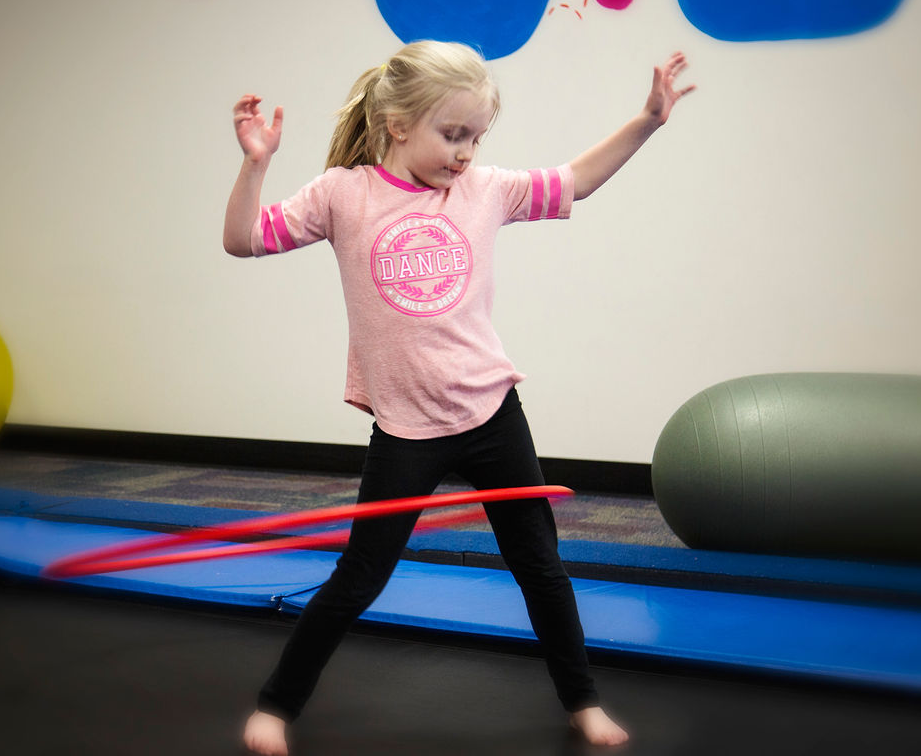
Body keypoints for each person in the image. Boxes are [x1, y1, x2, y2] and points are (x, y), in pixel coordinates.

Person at [224, 40, 694, 756]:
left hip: (490, 412)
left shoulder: (485, 190)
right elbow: (242, 241)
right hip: (407, 427)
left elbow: (578, 180)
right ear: (396, 122)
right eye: (453, 134)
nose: (467, 152)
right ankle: (274, 706)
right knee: (359, 576)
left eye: (477, 136)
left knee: (540, 564)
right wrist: (256, 165)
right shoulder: (343, 195)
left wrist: (649, 120)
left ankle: (584, 701)